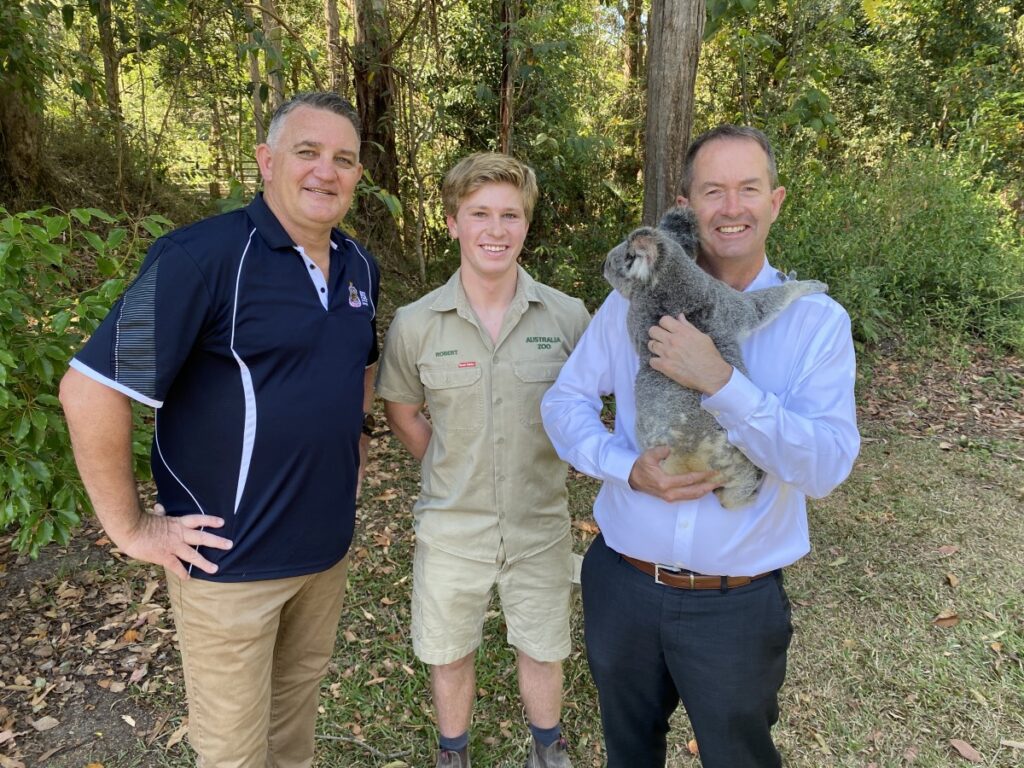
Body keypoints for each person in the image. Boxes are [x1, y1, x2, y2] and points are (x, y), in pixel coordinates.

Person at [59, 91, 379, 768]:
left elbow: (360, 366)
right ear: (266, 162)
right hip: (229, 566)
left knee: (292, 736)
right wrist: (131, 529)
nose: (327, 171)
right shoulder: (201, 259)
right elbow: (89, 388)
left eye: (344, 159)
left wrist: (356, 444)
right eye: (307, 152)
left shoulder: (359, 267)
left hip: (324, 557)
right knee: (234, 755)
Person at [541, 125, 860, 768]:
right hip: (623, 586)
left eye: (749, 188)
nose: (731, 207)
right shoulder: (633, 299)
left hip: (736, 604)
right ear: (686, 204)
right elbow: (564, 401)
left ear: (777, 200)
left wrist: (719, 380)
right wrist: (624, 468)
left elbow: (825, 465)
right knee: (628, 754)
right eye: (713, 190)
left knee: (739, 757)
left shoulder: (814, 322)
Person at [376, 153, 590, 768]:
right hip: (451, 526)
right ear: (452, 223)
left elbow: (587, 406)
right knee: (449, 650)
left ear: (526, 225)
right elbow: (404, 411)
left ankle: (548, 748)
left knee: (543, 644)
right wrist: (449, 464)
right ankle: (454, 754)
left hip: (538, 522)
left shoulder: (568, 317)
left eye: (510, 215)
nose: (496, 229)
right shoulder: (416, 324)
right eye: (480, 214)